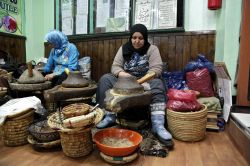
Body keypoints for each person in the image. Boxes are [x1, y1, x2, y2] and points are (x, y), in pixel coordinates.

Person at [96, 24, 173, 145]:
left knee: (158, 83)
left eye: (140, 38)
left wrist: (139, 82)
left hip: (144, 82)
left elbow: (157, 69)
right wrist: (124, 75)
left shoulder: (152, 49)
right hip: (125, 81)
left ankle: (158, 125)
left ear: (145, 38)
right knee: (105, 79)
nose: (137, 41)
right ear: (130, 37)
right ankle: (109, 116)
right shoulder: (123, 49)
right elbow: (115, 67)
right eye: (134, 37)